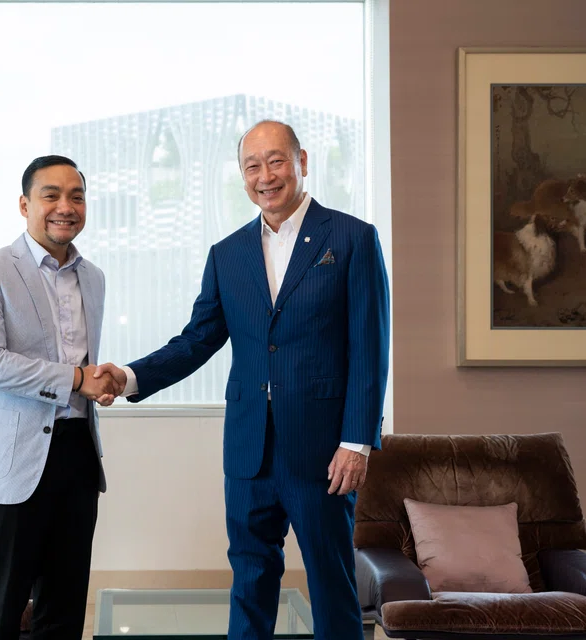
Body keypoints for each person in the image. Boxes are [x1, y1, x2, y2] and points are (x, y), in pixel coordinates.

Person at [95, 121, 390, 640]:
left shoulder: (351, 238)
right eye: (252, 166)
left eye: (275, 161)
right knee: (250, 582)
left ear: (302, 161)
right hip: (249, 449)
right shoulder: (226, 255)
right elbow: (196, 341)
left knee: (331, 582)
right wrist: (129, 375)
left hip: (324, 451)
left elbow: (370, 348)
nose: (265, 176)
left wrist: (356, 441)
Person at [0, 155, 122, 640]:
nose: (65, 207)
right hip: (11, 464)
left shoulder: (94, 277)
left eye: (76, 196)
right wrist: (74, 378)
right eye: (51, 195)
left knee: (63, 614)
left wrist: (98, 384)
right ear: (25, 204)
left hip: (77, 455)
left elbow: (79, 365)